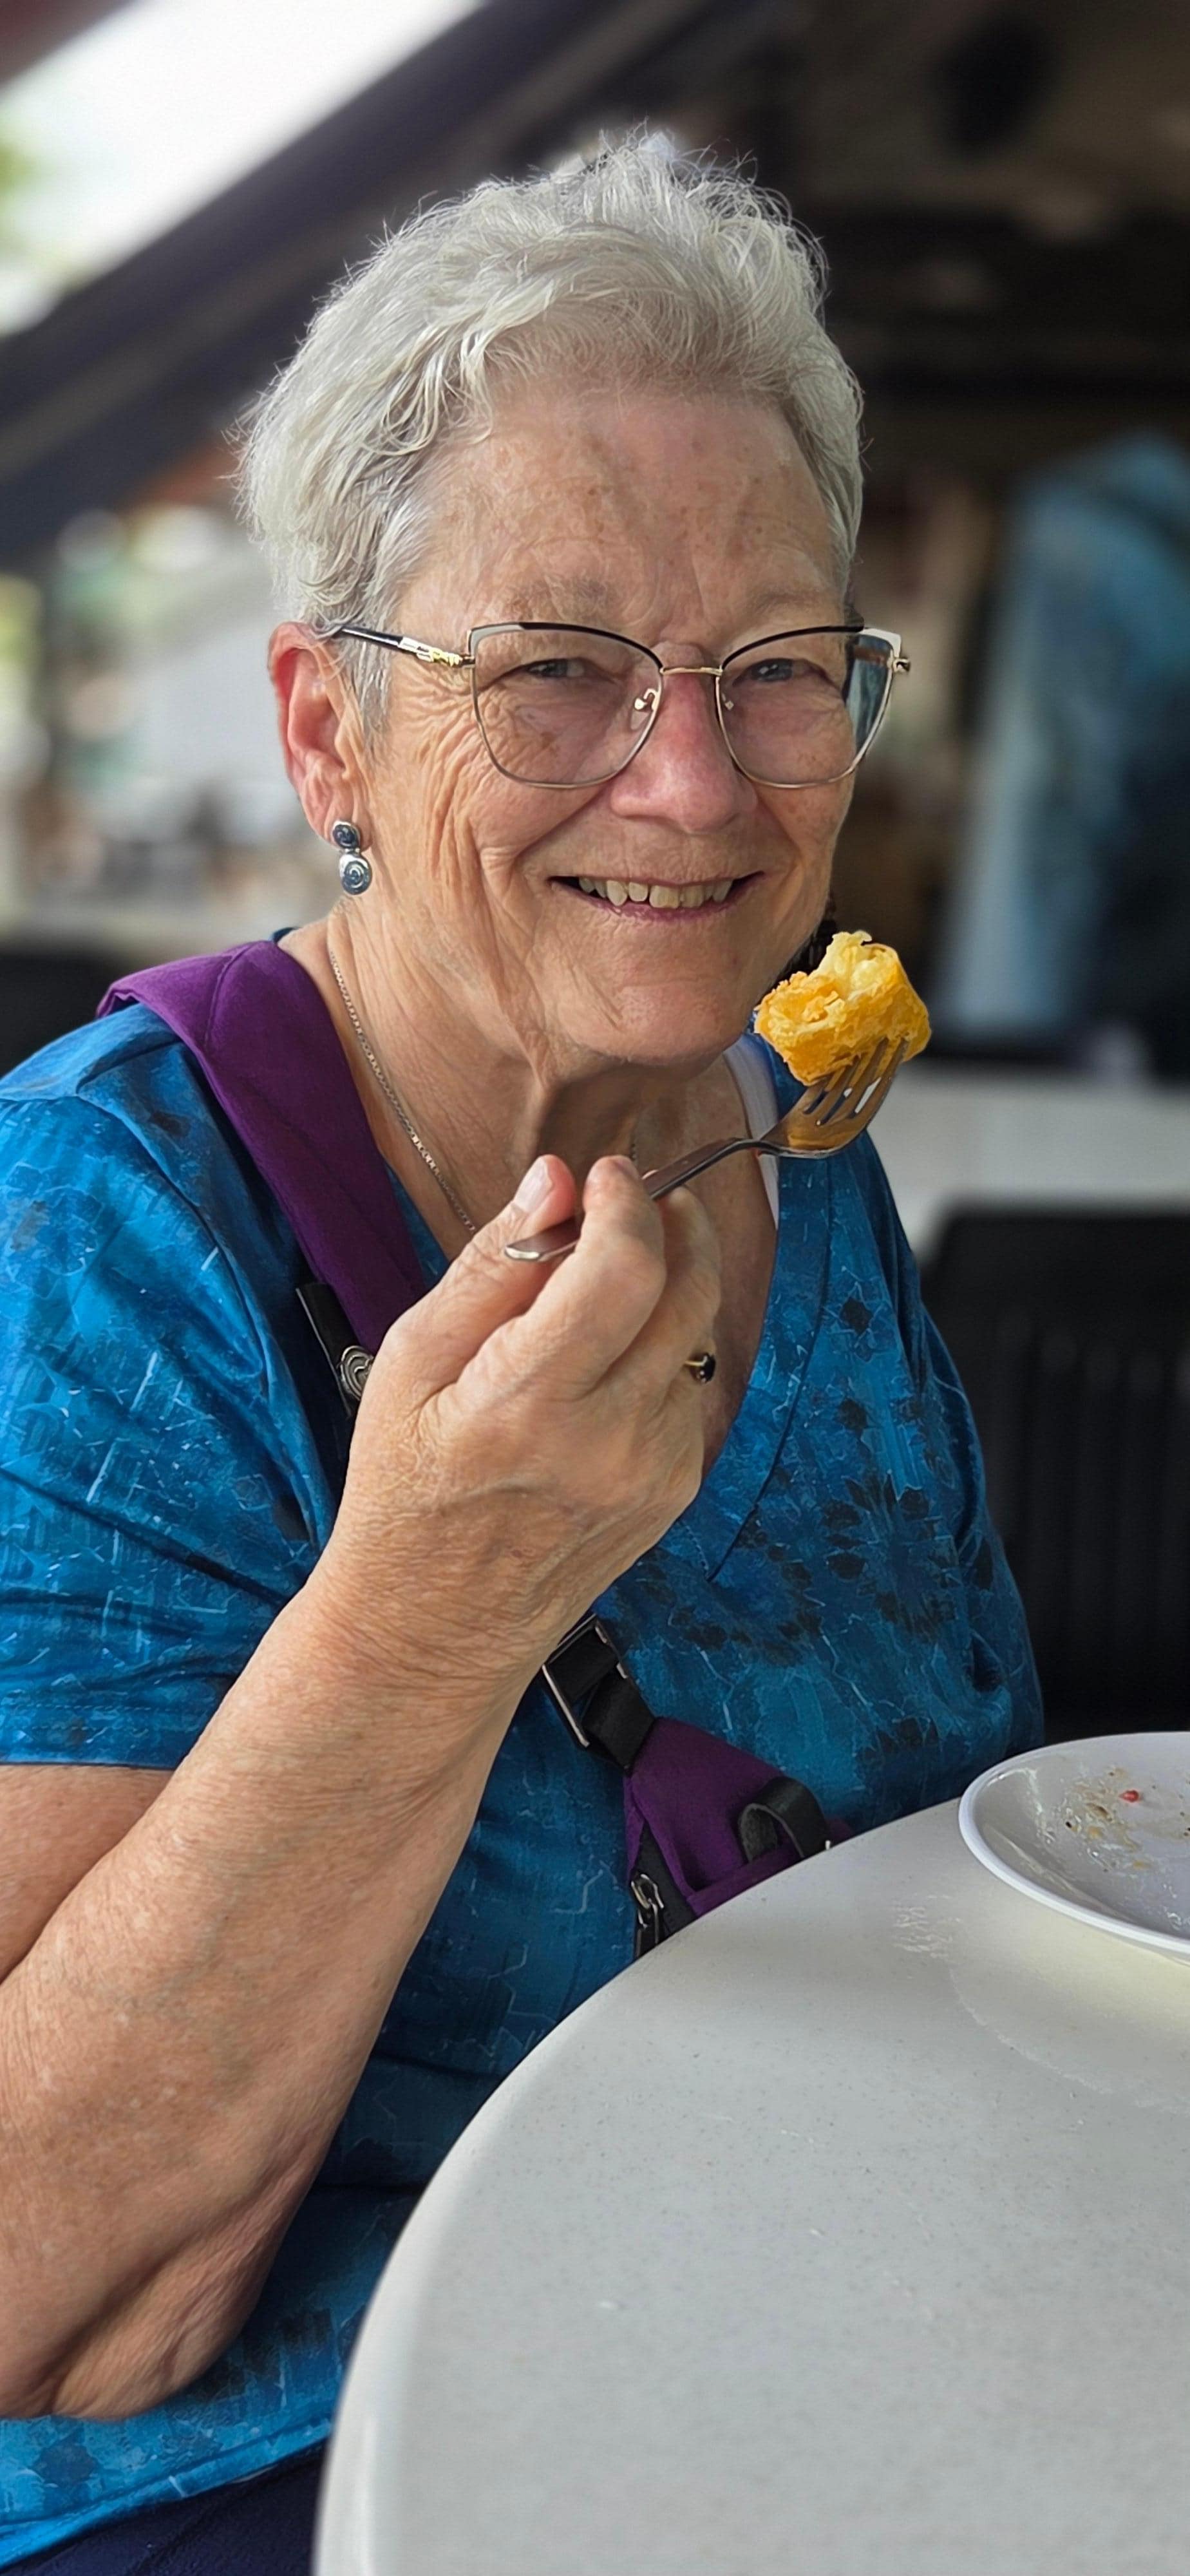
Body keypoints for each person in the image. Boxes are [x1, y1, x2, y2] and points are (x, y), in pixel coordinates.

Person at [0, 142, 1041, 2572]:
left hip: (840, 2384)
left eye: (777, 670)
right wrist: (429, 1611)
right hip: (309, 2485)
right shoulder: (95, 1238)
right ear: (330, 732)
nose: (694, 785)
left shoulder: (796, 1138)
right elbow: (46, 2304)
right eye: (556, 671)